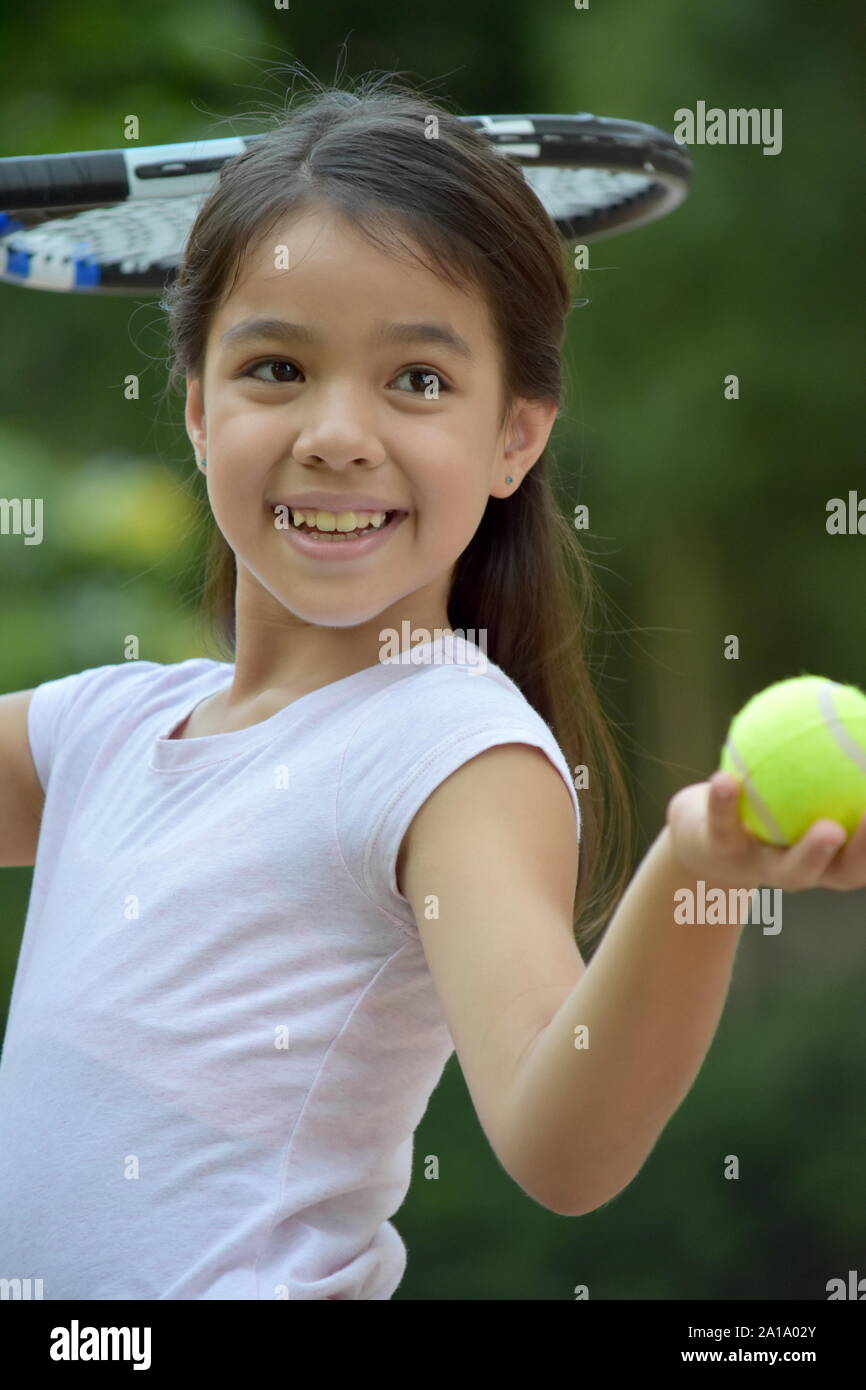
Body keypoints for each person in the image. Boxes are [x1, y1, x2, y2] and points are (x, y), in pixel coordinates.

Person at [2, 72, 862, 1303]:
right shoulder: (105, 725)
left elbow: (561, 1140)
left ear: (514, 433)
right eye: (276, 370)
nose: (337, 431)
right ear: (195, 408)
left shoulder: (450, 753)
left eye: (416, 380)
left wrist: (695, 873)